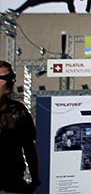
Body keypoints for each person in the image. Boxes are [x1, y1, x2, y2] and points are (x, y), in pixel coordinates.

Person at [0, 61, 41, 194]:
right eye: (7, 77)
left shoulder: (18, 110)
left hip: (13, 183)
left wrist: (35, 179)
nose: (13, 80)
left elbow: (29, 147)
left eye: (13, 76)